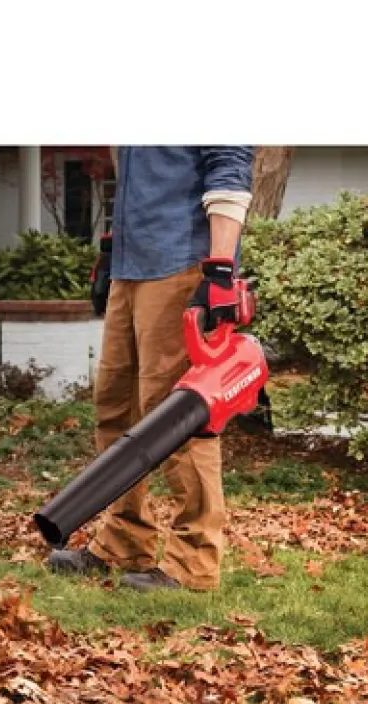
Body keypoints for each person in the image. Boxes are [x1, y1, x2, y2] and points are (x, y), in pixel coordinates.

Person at [48, 146, 257, 592]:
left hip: (181, 264)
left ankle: (195, 561)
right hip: (132, 267)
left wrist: (219, 272)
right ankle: (124, 540)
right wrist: (112, 252)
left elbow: (229, 166)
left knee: (177, 417)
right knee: (116, 407)